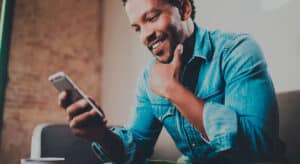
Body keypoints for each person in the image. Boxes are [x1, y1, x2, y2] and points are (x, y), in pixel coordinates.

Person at [58, 0, 285, 163]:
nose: (144, 35)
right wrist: (102, 135)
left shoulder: (237, 51)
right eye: (137, 28)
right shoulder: (149, 79)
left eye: (152, 17)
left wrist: (174, 91)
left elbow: (259, 153)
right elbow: (135, 150)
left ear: (185, 9)